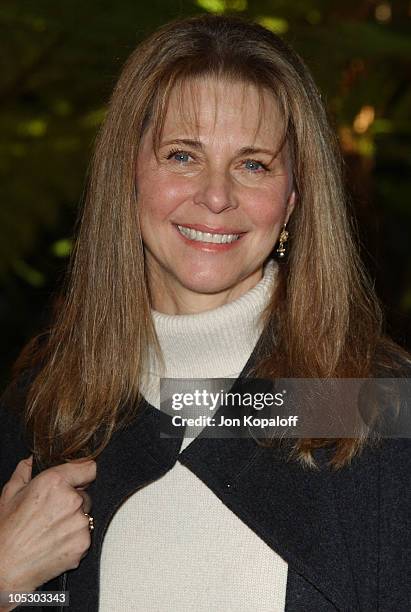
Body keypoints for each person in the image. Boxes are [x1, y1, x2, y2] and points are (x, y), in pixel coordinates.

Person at [0, 13, 410, 612]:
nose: (216, 196)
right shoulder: (47, 408)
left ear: (293, 198)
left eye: (253, 164)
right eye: (183, 155)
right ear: (128, 176)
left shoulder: (375, 404)